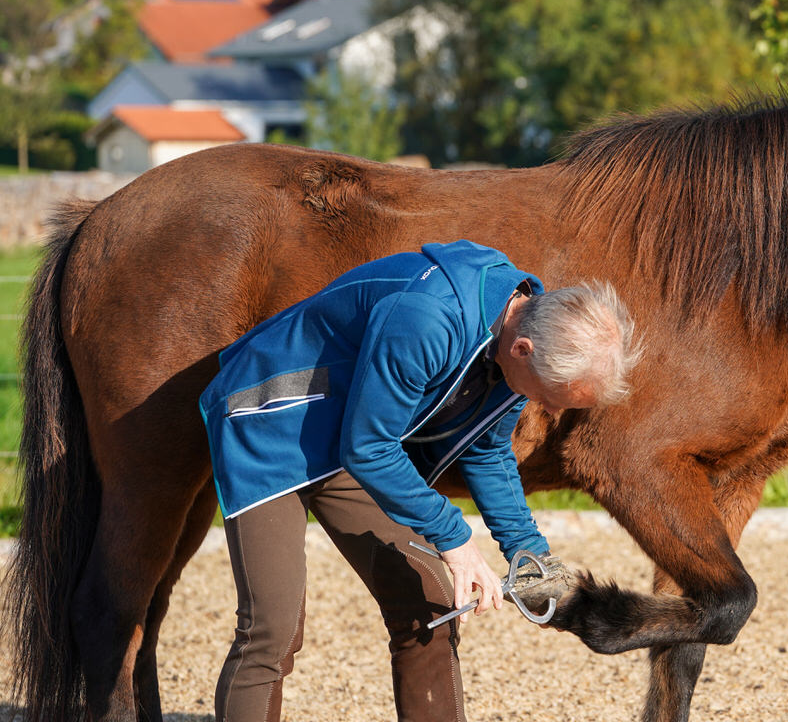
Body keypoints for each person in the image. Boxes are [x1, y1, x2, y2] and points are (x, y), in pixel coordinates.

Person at [199, 240, 639, 722]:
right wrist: (455, 537)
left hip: (351, 432)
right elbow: (368, 449)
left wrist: (526, 550)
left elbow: (488, 450)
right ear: (522, 348)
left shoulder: (517, 339)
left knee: (428, 603)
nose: (551, 411)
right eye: (554, 397)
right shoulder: (429, 319)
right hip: (273, 421)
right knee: (273, 629)